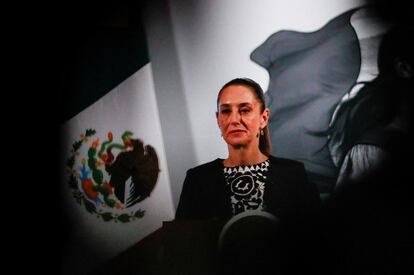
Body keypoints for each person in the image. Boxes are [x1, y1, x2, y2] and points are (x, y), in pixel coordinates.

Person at [175, 78, 322, 274]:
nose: (234, 119)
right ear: (218, 119)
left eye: (244, 110)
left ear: (263, 118)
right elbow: (183, 251)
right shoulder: (198, 180)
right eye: (226, 111)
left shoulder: (293, 175)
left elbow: (318, 244)